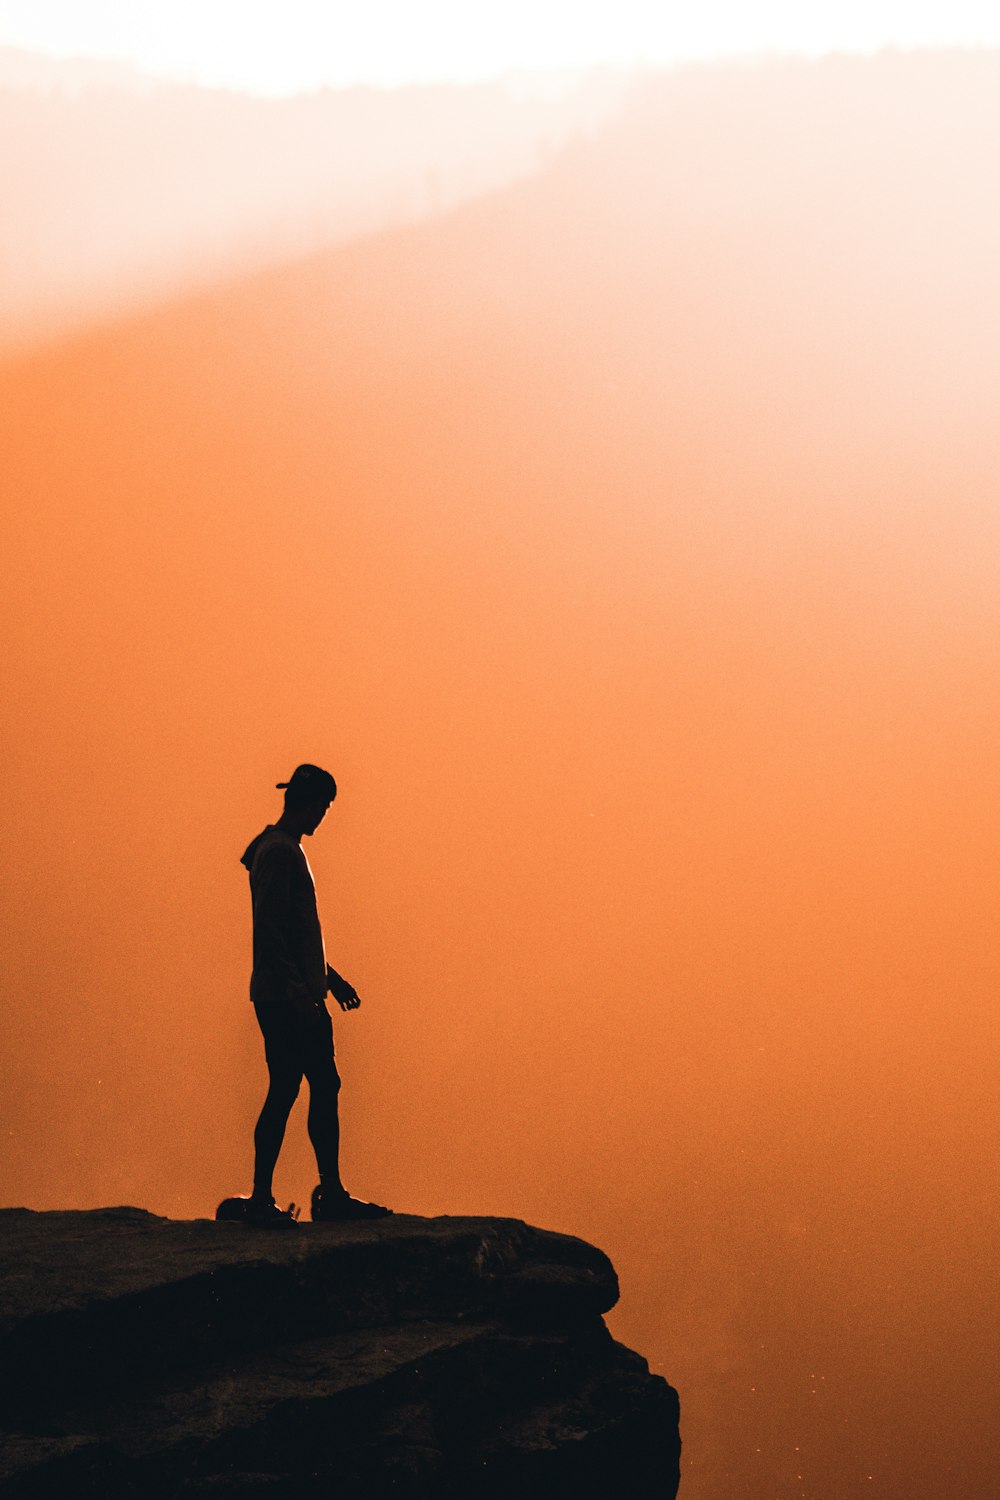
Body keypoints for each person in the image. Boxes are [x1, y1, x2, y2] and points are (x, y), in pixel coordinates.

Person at [239, 763, 391, 1225]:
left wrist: (329, 977)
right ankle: (327, 1194)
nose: (324, 816)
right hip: (289, 998)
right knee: (318, 1084)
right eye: (324, 807)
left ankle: (266, 1196)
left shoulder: (276, 849)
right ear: (311, 804)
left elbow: (292, 932)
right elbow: (272, 930)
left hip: (287, 991)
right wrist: (303, 994)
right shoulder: (282, 853)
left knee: (287, 1087)